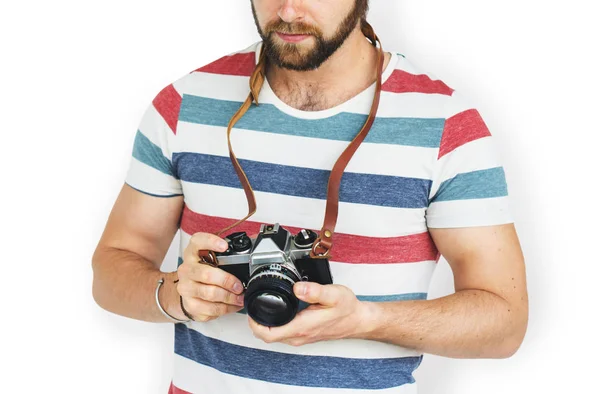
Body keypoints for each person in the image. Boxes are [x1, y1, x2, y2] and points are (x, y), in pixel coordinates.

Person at [92, 0, 529, 393]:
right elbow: (112, 269)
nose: (287, 11)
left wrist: (368, 321)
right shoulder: (184, 103)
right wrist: (176, 295)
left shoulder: (447, 125)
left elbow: (504, 322)